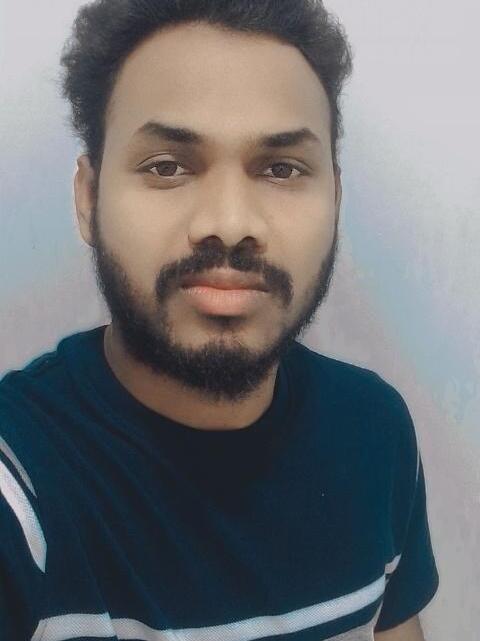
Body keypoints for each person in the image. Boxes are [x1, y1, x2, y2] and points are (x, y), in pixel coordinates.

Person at [0, 1, 439, 640]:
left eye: (281, 169)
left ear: (336, 198)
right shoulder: (19, 488)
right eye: (167, 166)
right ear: (88, 198)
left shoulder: (379, 432)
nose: (230, 224)